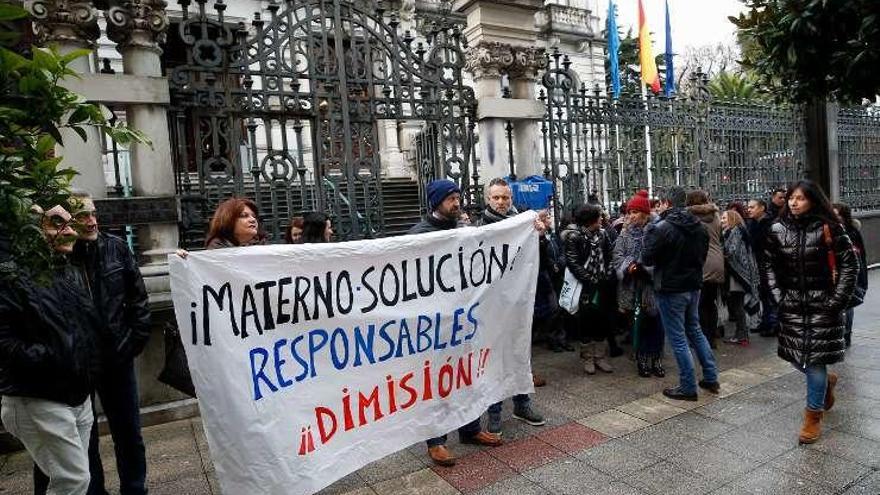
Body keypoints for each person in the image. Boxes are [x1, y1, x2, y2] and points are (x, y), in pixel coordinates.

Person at [33, 193, 152, 495]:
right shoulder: (56, 257)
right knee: (85, 438)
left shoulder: (115, 248)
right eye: (83, 216)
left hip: (118, 357)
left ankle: (135, 489)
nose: (92, 221)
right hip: (79, 363)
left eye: (94, 214)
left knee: (128, 432)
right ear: (67, 222)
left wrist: (133, 341)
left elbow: (137, 298)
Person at [1, 205, 103, 495]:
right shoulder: (12, 277)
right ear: (33, 231)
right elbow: (5, 340)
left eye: (70, 223)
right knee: (74, 481)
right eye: (58, 223)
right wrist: (50, 359)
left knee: (73, 481)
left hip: (76, 395)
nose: (71, 230)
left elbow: (84, 327)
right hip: (38, 396)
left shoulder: (65, 272)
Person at [407, 179, 503, 466]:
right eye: (451, 198)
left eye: (458, 197)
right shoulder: (419, 234)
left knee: (467, 375)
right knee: (436, 381)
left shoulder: (462, 230)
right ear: (437, 202)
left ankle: (470, 428)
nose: (457, 202)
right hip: (436, 324)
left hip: (464, 319)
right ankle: (436, 441)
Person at [761, 180, 857, 443]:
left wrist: (836, 302)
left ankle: (813, 417)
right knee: (794, 356)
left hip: (822, 305)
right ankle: (826, 382)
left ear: (813, 200)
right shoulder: (777, 229)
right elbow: (768, 265)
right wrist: (779, 297)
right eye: (792, 197)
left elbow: (850, 265)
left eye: (800, 198)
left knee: (814, 361)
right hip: (791, 304)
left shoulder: (831, 227)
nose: (794, 202)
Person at [475, 178, 546, 436]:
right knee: (494, 359)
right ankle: (494, 413)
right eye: (496, 198)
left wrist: (541, 236)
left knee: (519, 353)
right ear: (488, 199)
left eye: (505, 197)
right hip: (494, 306)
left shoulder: (525, 223)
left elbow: (544, 259)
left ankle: (522, 404)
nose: (501, 202)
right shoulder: (480, 228)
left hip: (519, 302)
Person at [643, 186, 719, 401]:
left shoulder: (663, 228)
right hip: (693, 285)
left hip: (670, 288)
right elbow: (702, 257)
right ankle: (711, 377)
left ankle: (688, 386)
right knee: (695, 330)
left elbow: (647, 257)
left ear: (666, 203)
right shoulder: (699, 225)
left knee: (678, 338)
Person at [612, 191, 664, 378]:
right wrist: (630, 266)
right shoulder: (625, 234)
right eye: (629, 212)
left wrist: (647, 268)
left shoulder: (657, 230)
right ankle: (642, 358)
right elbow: (617, 257)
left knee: (656, 323)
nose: (631, 216)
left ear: (644, 212)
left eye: (634, 212)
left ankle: (657, 357)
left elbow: (663, 257)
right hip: (633, 285)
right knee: (638, 323)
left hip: (653, 285)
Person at [563, 204, 615, 375]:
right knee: (586, 321)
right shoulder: (574, 237)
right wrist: (589, 279)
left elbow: (610, 254)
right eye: (599, 217)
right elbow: (573, 263)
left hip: (602, 283)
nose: (602, 219)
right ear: (590, 220)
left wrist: (607, 273)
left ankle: (600, 356)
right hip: (585, 286)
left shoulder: (603, 233)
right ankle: (588, 358)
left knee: (603, 320)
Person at [686, 190, 725, 348]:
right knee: (711, 302)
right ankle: (711, 337)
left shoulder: (691, 217)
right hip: (717, 259)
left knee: (700, 303)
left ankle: (702, 339)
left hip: (702, 261)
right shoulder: (715, 215)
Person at [721, 209, 761, 347]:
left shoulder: (735, 231)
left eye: (724, 218)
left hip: (738, 275)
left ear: (732, 218)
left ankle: (742, 335)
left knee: (738, 305)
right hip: (738, 274)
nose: (722, 220)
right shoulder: (736, 231)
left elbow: (731, 251)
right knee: (737, 304)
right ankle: (740, 334)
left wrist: (721, 251)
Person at [833, 202, 868, 347]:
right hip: (833, 273)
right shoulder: (829, 230)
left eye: (836, 214)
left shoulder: (851, 232)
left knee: (847, 305)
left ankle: (846, 335)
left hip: (848, 274)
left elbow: (860, 256)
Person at [746, 198, 777, 336]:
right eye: (748, 207)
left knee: (770, 295)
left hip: (769, 265)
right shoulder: (752, 224)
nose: (749, 209)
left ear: (762, 208)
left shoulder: (770, 224)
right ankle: (766, 322)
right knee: (763, 294)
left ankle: (773, 324)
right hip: (757, 264)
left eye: (752, 207)